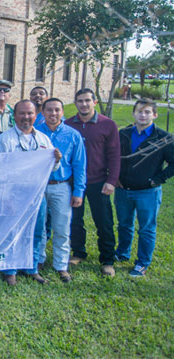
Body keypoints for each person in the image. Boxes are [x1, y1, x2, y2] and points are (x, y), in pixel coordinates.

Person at [0, 100, 62, 286]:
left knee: (37, 231)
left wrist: (56, 159)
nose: (26, 117)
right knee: (12, 231)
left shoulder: (43, 139)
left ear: (35, 115)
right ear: (15, 116)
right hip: (12, 195)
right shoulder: (4, 140)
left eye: (30, 114)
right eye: (22, 114)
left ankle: (31, 268)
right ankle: (10, 269)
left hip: (37, 195)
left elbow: (53, 167)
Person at [115, 99, 173, 277]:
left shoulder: (163, 138)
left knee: (146, 228)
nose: (143, 115)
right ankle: (122, 253)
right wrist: (115, 176)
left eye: (147, 112)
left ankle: (142, 262)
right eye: (139, 111)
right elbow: (113, 156)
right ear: (133, 113)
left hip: (148, 192)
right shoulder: (123, 134)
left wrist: (156, 180)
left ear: (155, 115)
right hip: (123, 190)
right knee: (124, 225)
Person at [66, 88, 120, 277]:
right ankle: (78, 252)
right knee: (75, 220)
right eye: (80, 101)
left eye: (87, 100)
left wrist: (111, 181)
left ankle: (107, 260)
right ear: (75, 103)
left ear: (95, 102)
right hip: (74, 183)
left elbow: (114, 155)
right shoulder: (68, 124)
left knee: (104, 222)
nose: (84, 104)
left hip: (99, 181)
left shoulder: (108, 125)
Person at [35, 98, 86, 283]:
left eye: (57, 110)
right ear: (43, 112)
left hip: (61, 186)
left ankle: (61, 265)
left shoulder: (73, 135)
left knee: (62, 227)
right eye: (49, 110)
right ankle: (38, 260)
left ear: (62, 112)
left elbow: (80, 164)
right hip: (39, 186)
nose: (53, 114)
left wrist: (78, 191)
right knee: (39, 226)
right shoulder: (36, 133)